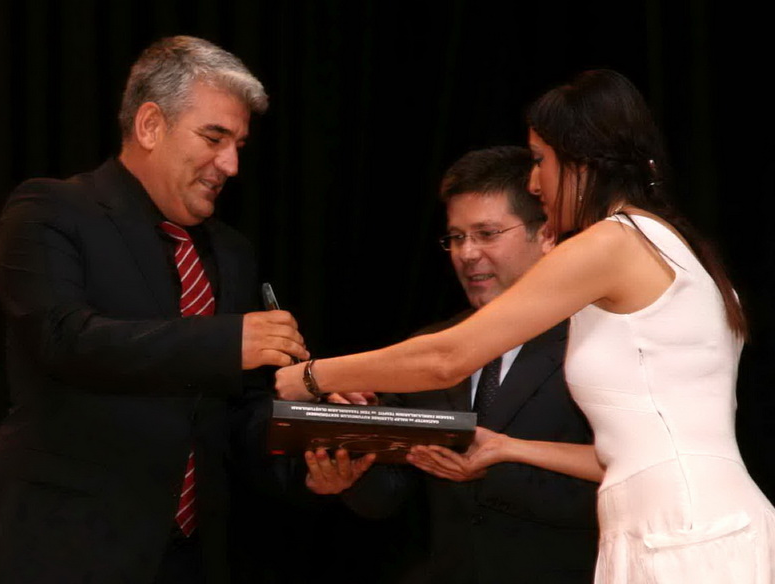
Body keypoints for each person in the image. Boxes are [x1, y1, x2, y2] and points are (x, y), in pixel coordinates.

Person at [276, 69, 775, 583]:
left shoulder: (613, 241)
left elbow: (448, 357)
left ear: (581, 160)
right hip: (680, 522)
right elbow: (628, 455)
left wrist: (312, 376)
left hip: (679, 531)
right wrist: (507, 447)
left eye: (540, 160)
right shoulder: (675, 243)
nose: (535, 183)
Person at [0, 36, 308, 584]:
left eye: (239, 145)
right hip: (66, 552)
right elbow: (65, 340)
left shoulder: (232, 252)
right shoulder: (49, 210)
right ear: (151, 125)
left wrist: (314, 447)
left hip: (194, 558)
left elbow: (238, 413)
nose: (230, 164)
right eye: (214, 138)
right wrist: (228, 342)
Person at [305, 146, 598, 583]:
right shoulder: (428, 348)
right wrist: (350, 470)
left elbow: (625, 486)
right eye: (456, 237)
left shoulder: (593, 342)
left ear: (546, 234)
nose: (467, 253)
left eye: (486, 233)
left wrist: (491, 471)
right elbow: (389, 496)